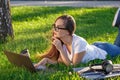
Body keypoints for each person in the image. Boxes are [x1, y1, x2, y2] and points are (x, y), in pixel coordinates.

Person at [34, 8, 120, 70]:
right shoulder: (63, 43)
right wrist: (47, 60)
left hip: (106, 50)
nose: (54, 30)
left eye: (58, 28)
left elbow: (73, 66)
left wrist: (60, 49)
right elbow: (63, 62)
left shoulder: (79, 43)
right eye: (54, 26)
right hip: (94, 47)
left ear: (68, 32)